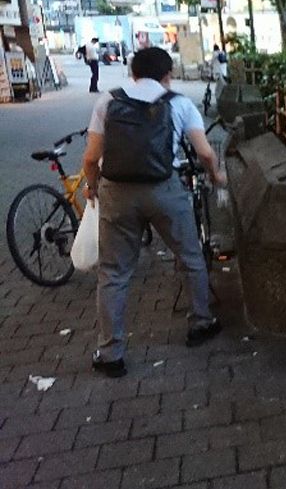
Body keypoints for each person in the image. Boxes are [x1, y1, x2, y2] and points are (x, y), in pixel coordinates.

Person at [82, 47, 226, 378]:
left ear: (132, 73)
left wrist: (92, 186)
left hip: (117, 192)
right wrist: (216, 176)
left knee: (113, 272)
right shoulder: (179, 103)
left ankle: (111, 353)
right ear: (167, 75)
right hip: (165, 189)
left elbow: (90, 158)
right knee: (190, 257)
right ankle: (201, 323)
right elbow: (205, 153)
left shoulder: (108, 101)